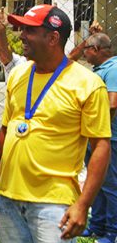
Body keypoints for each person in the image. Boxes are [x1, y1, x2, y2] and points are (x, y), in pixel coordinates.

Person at [0, 4, 112, 242]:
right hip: (8, 199)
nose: (22, 36)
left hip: (53, 203)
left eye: (29, 30)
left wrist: (83, 204)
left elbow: (101, 146)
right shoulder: (18, 75)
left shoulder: (87, 84)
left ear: (53, 37)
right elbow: (6, 130)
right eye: (22, 29)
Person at [81, 32, 117, 243]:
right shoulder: (102, 69)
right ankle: (97, 225)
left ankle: (112, 231)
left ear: (95, 50)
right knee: (98, 182)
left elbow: (113, 103)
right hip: (96, 135)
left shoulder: (112, 69)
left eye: (86, 49)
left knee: (110, 185)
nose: (84, 53)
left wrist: (99, 126)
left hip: (108, 137)